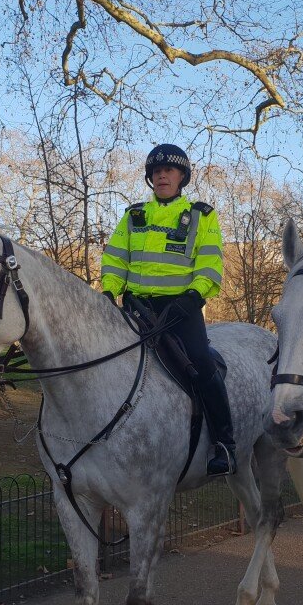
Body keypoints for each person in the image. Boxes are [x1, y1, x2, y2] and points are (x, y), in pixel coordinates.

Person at [99, 144, 234, 476]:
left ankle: (225, 444)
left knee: (202, 363)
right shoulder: (133, 216)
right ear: (150, 178)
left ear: (181, 177)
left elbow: (209, 262)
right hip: (136, 309)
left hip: (181, 310)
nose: (162, 175)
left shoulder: (202, 215)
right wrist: (108, 292)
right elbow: (115, 260)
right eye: (156, 171)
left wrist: (193, 296)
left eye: (169, 170)